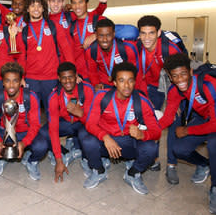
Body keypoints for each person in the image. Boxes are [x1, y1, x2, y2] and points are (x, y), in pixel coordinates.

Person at [159, 53, 216, 215]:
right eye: (175, 76)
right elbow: (168, 118)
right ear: (170, 77)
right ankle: (205, 165)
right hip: (207, 119)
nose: (180, 80)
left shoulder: (210, 85)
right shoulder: (174, 90)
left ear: (191, 72)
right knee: (178, 149)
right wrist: (147, 130)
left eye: (183, 74)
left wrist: (188, 130)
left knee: (215, 143)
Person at [81, 62, 160, 193]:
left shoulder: (142, 102)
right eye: (121, 81)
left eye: (130, 81)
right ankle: (99, 170)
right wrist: (105, 137)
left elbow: (157, 132)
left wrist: (142, 134)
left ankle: (133, 173)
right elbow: (90, 124)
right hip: (106, 142)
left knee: (152, 148)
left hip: (128, 142)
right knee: (87, 139)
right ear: (115, 83)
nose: (127, 85)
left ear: (135, 82)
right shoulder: (102, 97)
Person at [0, 62, 48, 180]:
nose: (11, 85)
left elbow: (35, 124)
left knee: (42, 146)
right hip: (4, 132)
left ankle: (31, 161)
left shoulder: (30, 97)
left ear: (21, 81)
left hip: (24, 132)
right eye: (7, 81)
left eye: (15, 81)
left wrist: (24, 142)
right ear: (2, 82)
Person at [136, 15, 184, 171]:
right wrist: (145, 100)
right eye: (143, 33)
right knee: (149, 118)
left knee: (173, 120)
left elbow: (180, 77)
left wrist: (174, 103)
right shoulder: (137, 47)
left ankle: (172, 164)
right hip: (151, 85)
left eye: (151, 33)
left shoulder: (170, 49)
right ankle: (154, 158)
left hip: (172, 86)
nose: (147, 37)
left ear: (158, 33)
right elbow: (139, 75)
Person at [39, 62, 94, 182]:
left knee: (87, 137)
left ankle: (86, 158)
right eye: (63, 78)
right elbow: (53, 128)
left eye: (70, 77)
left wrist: (80, 114)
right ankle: (63, 153)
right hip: (67, 123)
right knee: (44, 133)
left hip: (83, 123)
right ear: (59, 79)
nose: (67, 81)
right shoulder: (54, 95)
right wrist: (59, 160)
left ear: (76, 76)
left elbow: (94, 122)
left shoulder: (87, 89)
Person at [19, 0, 75, 108]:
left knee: (53, 112)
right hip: (31, 78)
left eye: (39, 6)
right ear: (28, 9)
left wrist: (72, 71)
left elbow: (66, 49)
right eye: (32, 5)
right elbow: (22, 57)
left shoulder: (53, 26)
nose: (36, 8)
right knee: (31, 113)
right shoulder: (23, 31)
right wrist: (21, 77)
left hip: (51, 77)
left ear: (43, 9)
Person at [85, 18, 145, 93]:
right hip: (105, 85)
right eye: (101, 36)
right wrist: (96, 84)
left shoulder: (128, 48)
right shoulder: (91, 51)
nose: (105, 40)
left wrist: (134, 91)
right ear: (96, 35)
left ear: (114, 34)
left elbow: (137, 73)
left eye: (108, 35)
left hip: (126, 84)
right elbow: (92, 72)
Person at [69, 0, 108, 80]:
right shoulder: (71, 25)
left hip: (100, 75)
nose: (77, 6)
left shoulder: (98, 19)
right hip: (81, 75)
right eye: (74, 3)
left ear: (87, 4)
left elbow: (114, 31)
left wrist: (97, 35)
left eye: (80, 2)